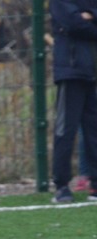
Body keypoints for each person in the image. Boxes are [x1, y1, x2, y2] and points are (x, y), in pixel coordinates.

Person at [49, 0, 97, 204]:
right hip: (70, 72)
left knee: (94, 130)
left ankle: (95, 185)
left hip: (91, 73)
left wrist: (89, 16)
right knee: (65, 131)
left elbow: (80, 23)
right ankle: (62, 186)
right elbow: (72, 23)